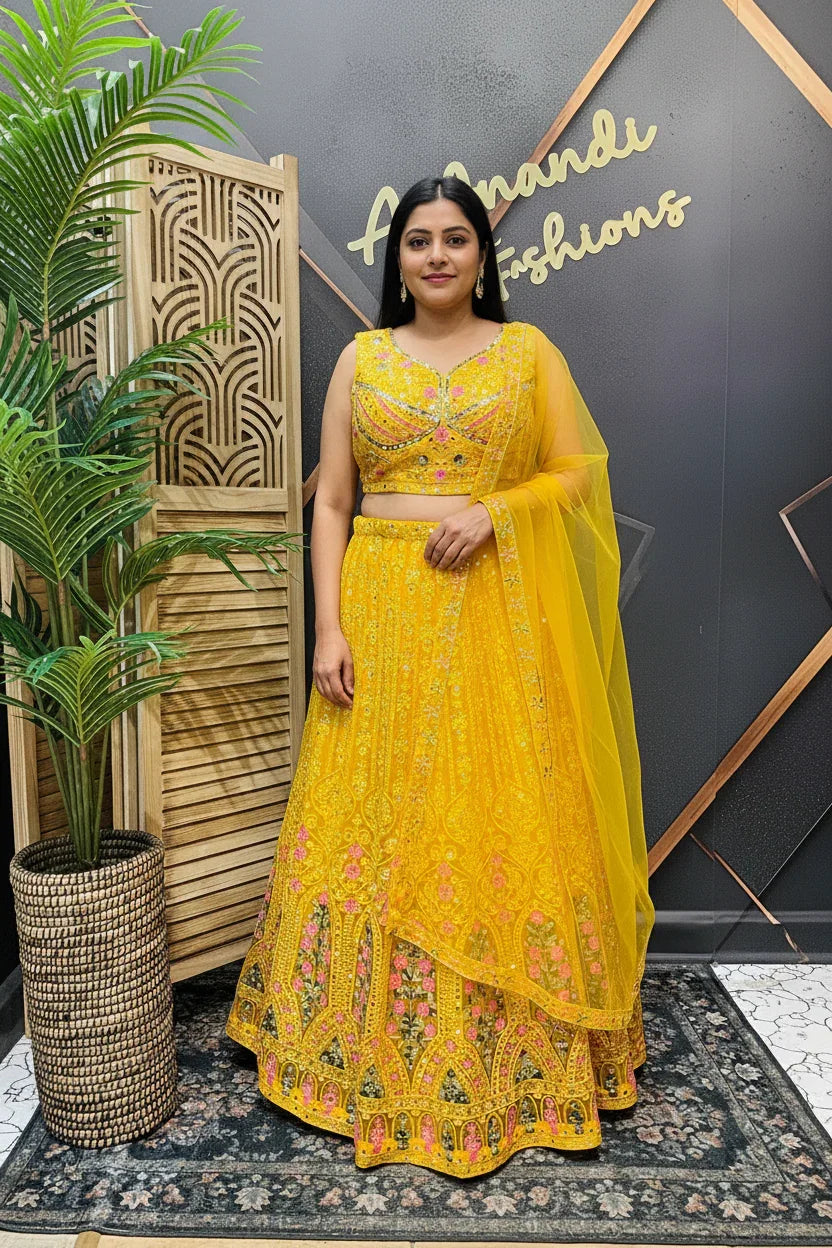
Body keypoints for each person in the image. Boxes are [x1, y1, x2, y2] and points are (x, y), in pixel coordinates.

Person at [227, 174, 655, 1178]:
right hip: (379, 615)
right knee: (375, 818)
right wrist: (326, 627)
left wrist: (494, 511)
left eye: (454, 239)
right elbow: (331, 501)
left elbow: (578, 469)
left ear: (479, 255)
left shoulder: (526, 351)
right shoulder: (362, 359)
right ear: (397, 260)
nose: (434, 256)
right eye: (417, 241)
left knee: (494, 815)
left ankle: (521, 1063)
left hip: (493, 614)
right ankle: (350, 1045)